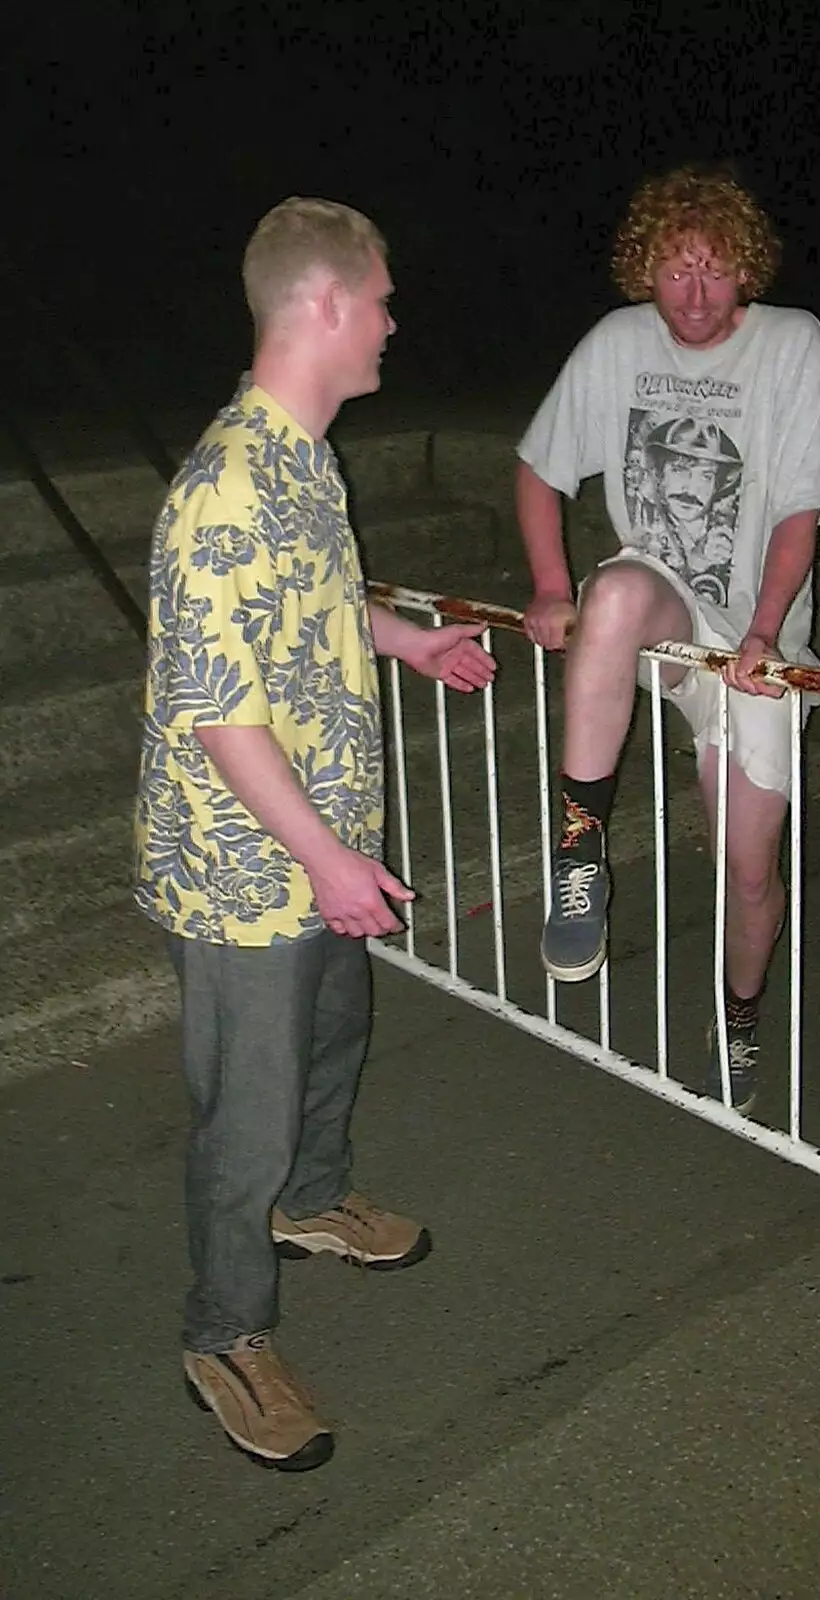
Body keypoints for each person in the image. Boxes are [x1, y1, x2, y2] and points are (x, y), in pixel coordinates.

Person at [134, 197, 495, 1472]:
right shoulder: (223, 489)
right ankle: (224, 1331)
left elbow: (320, 602)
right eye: (385, 299)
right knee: (248, 1103)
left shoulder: (305, 459)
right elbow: (221, 718)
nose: (396, 320)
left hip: (321, 843)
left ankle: (310, 1199)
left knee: (337, 1030)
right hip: (246, 869)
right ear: (329, 304)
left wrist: (407, 640)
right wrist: (330, 862)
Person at [516, 165, 820, 1114]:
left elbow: (800, 511)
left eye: (714, 272)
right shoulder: (618, 344)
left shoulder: (792, 344)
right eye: (675, 272)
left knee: (748, 871)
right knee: (617, 590)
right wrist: (552, 586)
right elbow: (539, 468)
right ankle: (578, 855)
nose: (695, 297)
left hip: (757, 632)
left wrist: (762, 632)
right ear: (645, 270)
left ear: (744, 269)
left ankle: (739, 1022)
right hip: (667, 600)